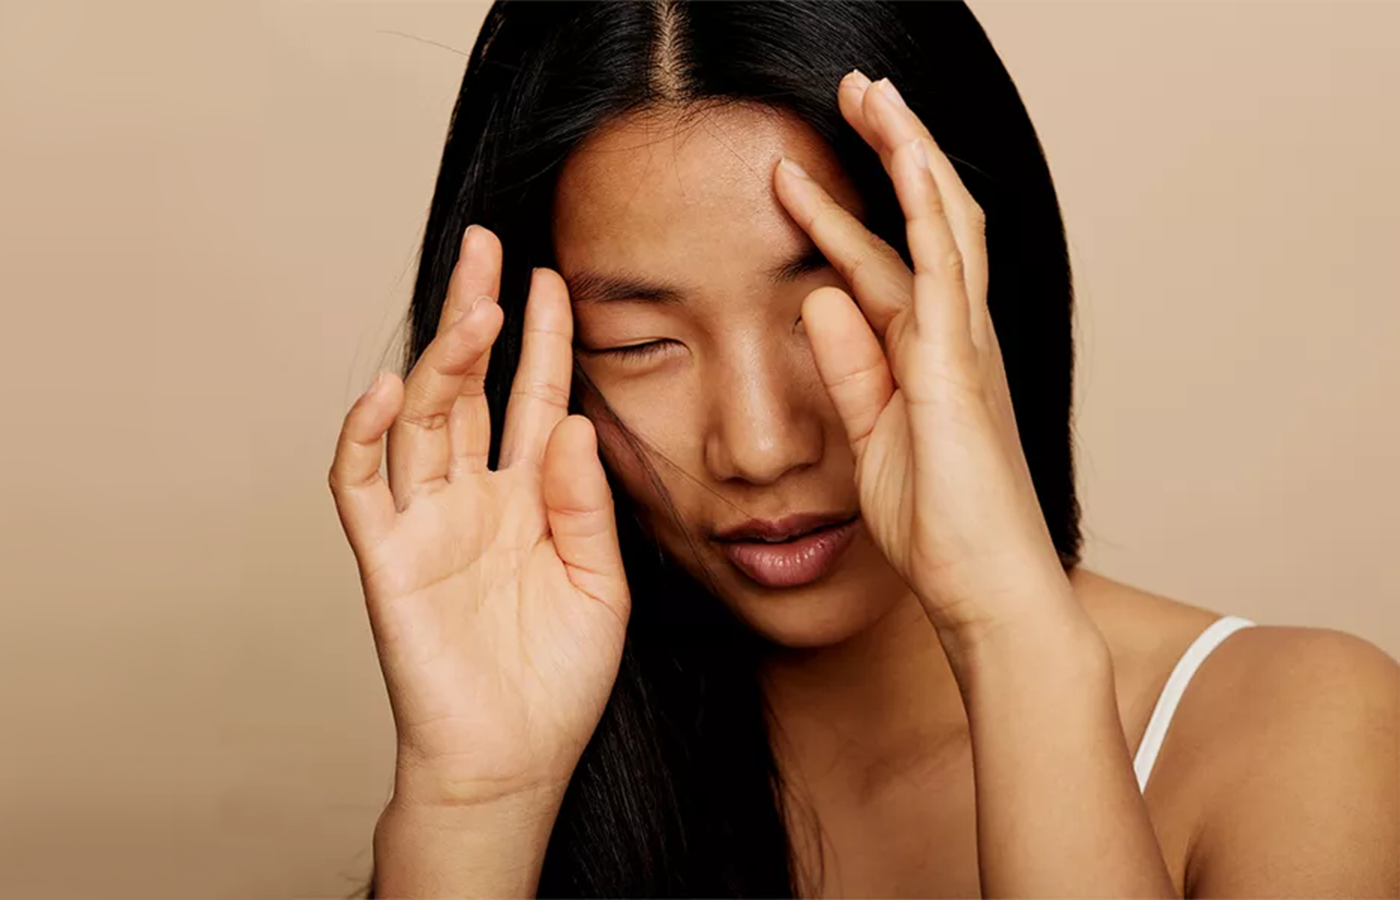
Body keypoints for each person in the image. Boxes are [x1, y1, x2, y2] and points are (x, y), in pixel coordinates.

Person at [327, 2, 1400, 897]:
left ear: (979, 291)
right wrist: (472, 806)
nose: (755, 445)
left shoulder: (1298, 738)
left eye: (828, 312)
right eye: (640, 344)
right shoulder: (551, 760)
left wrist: (1009, 633)